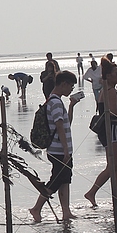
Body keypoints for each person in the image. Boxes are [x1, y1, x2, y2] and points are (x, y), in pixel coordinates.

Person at [28, 70, 78, 223]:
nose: (71, 89)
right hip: (58, 150)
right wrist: (65, 150)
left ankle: (66, 212)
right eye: (71, 86)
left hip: (61, 149)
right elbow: (59, 126)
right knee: (56, 181)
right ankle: (36, 208)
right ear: (63, 84)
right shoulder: (55, 102)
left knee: (65, 180)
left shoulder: (55, 100)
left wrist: (72, 105)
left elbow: (66, 121)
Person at [83, 58, 117, 209]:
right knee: (113, 165)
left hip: (113, 128)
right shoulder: (110, 91)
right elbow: (113, 112)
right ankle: (92, 192)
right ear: (108, 76)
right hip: (112, 129)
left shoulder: (106, 89)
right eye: (116, 74)